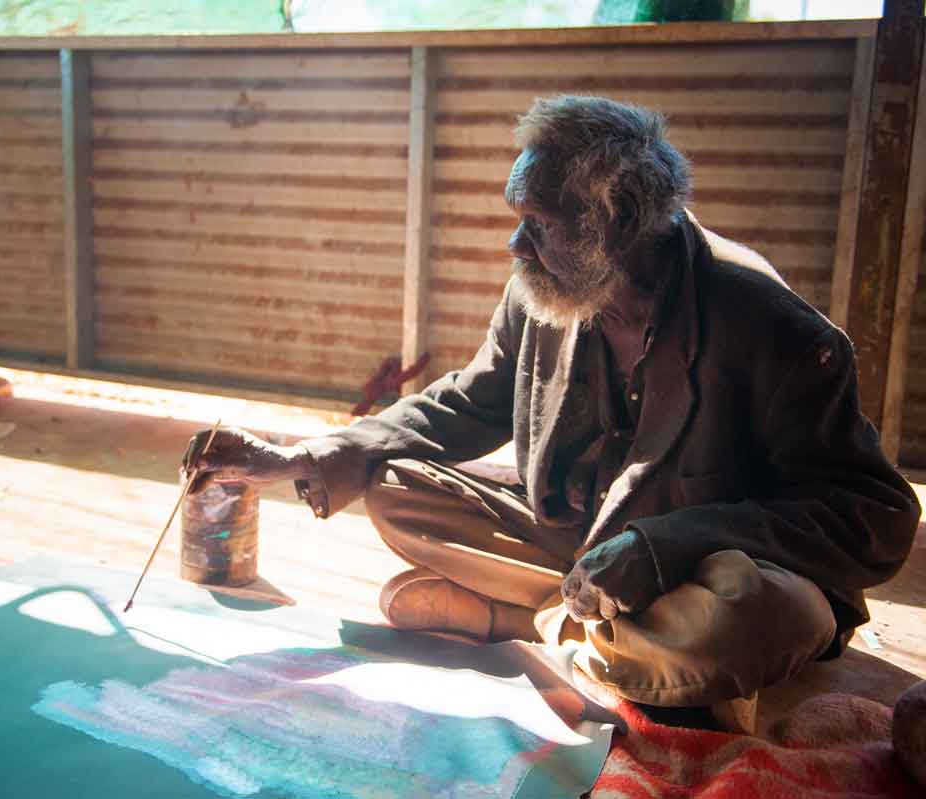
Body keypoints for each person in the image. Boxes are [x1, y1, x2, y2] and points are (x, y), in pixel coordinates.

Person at [180, 95, 920, 726]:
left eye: (536, 221)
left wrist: (674, 541)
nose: (515, 242)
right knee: (393, 487)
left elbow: (877, 515)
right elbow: (472, 400)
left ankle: (525, 622)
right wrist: (305, 453)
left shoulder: (773, 329)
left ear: (620, 217)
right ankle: (582, 631)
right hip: (577, 547)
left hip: (704, 574)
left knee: (751, 615)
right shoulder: (546, 291)